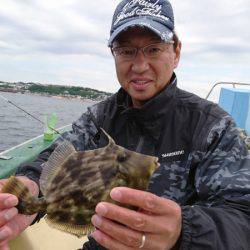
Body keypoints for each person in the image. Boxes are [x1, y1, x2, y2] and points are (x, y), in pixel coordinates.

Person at [0, 0, 249, 249]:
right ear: (114, 55)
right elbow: (54, 158)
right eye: (126, 51)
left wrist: (182, 231)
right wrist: (27, 188)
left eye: (153, 49)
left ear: (176, 52)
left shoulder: (211, 126)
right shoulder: (98, 118)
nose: (140, 66)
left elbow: (242, 215)